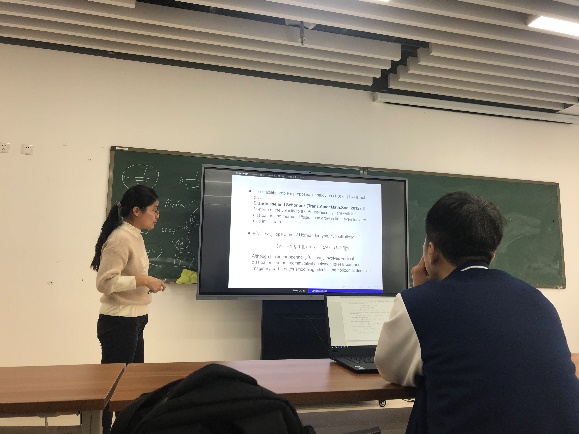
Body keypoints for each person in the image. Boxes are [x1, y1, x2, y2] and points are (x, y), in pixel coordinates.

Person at [374, 191, 579, 434]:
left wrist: (421, 293)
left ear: (431, 251)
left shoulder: (418, 303)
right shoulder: (538, 300)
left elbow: (389, 368)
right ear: (492, 255)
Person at [90, 184, 166, 433]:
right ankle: (104, 430)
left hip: (135, 318)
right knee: (114, 388)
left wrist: (145, 283)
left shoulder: (135, 235)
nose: (157, 215)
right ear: (136, 210)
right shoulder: (120, 238)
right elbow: (105, 283)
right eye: (154, 210)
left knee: (132, 387)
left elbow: (128, 276)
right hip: (119, 322)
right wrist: (143, 280)